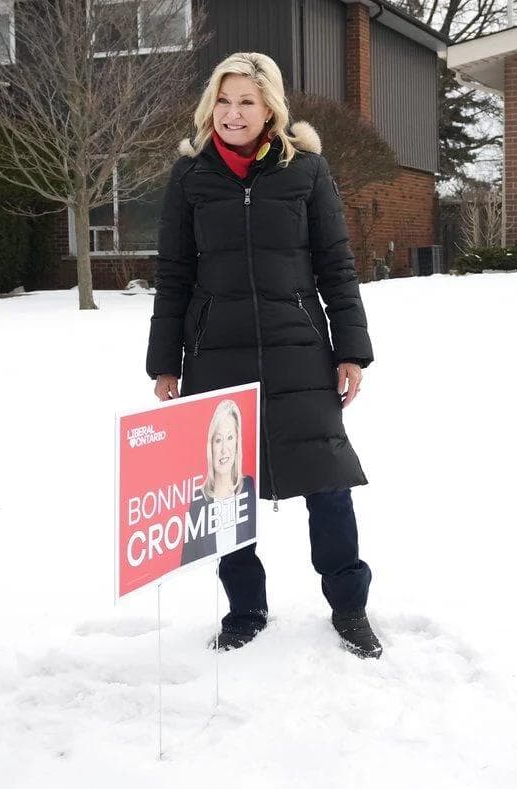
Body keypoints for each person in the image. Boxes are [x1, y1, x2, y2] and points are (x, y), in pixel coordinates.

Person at [146, 51, 382, 659]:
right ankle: (245, 610)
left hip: (299, 351)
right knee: (226, 490)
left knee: (328, 484)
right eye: (223, 101)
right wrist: (165, 361)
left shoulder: (306, 171)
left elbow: (336, 263)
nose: (232, 113)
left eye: (246, 101)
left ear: (270, 106)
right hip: (214, 353)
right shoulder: (191, 176)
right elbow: (173, 274)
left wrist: (350, 350)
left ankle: (349, 607)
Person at [180, 398, 257, 563]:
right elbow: (187, 563)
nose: (224, 449)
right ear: (211, 446)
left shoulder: (249, 487)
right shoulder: (199, 500)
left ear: (237, 442)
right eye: (218, 440)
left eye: (230, 437)